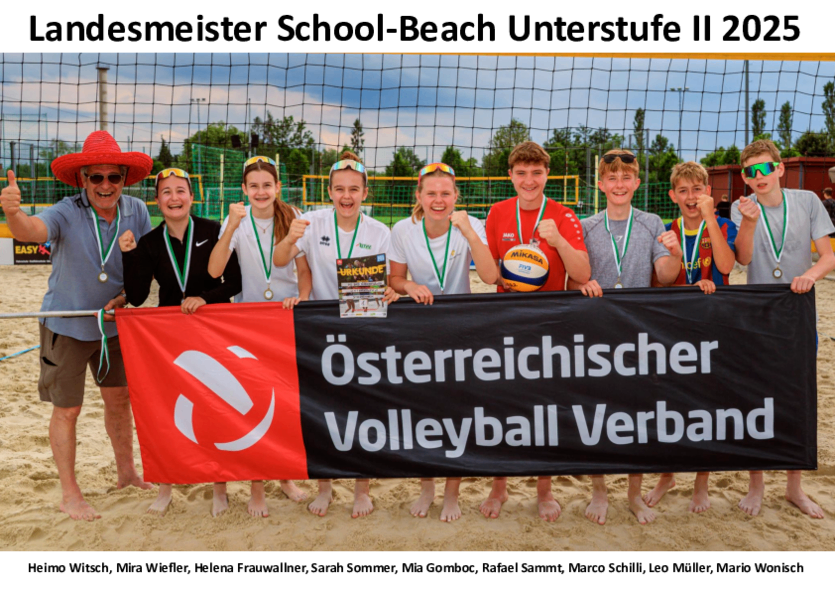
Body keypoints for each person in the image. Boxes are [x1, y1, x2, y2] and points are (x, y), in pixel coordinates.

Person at [0, 131, 154, 521]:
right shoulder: (66, 210)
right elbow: (32, 232)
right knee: (67, 410)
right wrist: (14, 214)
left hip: (116, 326)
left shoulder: (136, 210)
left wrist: (127, 299)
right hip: (66, 325)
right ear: (82, 179)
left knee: (120, 403)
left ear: (124, 178)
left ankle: (127, 473)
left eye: (113, 177)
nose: (105, 185)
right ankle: (70, 494)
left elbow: (148, 266)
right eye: (96, 177)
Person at [274, 150, 399, 518]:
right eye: (340, 189)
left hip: (363, 328)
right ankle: (325, 487)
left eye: (354, 189)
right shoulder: (311, 223)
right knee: (322, 412)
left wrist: (393, 290)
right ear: (329, 191)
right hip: (321, 332)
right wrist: (289, 238)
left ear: (365, 193)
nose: (347, 196)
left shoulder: (379, 232)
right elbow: (281, 260)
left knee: (362, 412)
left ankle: (362, 488)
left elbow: (389, 281)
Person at [120, 167, 243, 517]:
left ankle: (219, 487)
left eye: (180, 191)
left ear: (192, 197)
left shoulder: (213, 230)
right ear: (157, 200)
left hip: (214, 329)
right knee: (166, 411)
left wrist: (205, 298)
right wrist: (128, 255)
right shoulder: (149, 242)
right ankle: (165, 486)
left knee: (217, 406)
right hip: (170, 336)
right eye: (166, 192)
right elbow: (139, 296)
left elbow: (233, 282)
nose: (174, 198)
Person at [570, 149, 682, 525]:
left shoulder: (651, 222)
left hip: (638, 332)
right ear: (600, 184)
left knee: (638, 415)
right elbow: (574, 277)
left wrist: (675, 253)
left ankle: (634, 495)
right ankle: (599, 491)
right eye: (612, 178)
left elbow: (665, 277)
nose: (619, 184)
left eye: (626, 177)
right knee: (597, 414)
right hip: (597, 332)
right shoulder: (585, 226)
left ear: (636, 183)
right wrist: (583, 283)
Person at [482, 141, 591, 522]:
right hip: (506, 322)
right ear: (511, 176)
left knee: (544, 410)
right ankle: (499, 486)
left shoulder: (563, 215)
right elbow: (491, 273)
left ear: (547, 175)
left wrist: (557, 240)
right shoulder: (496, 214)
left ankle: (544, 490)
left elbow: (582, 274)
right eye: (522, 173)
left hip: (550, 324)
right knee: (502, 407)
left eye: (537, 173)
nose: (529, 180)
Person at [731, 139, 835, 520]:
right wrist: (748, 221)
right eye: (749, 171)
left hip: (797, 311)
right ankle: (755, 485)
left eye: (764, 169)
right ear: (744, 177)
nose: (758, 177)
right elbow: (741, 259)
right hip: (757, 315)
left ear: (779, 169)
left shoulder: (807, 200)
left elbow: (828, 256)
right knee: (756, 400)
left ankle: (794, 489)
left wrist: (807, 275)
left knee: (797, 402)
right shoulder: (745, 208)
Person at [389, 162, 498, 522]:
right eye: (431, 193)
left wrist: (469, 232)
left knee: (456, 413)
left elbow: (488, 275)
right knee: (423, 412)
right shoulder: (403, 229)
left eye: (446, 194)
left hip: (460, 332)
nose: (439, 200)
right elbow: (394, 279)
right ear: (419, 196)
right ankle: (427, 487)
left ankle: (452, 494)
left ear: (456, 197)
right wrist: (408, 288)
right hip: (418, 332)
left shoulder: (470, 225)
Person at [208, 155, 311, 514]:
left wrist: (305, 300)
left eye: (267, 185)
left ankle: (283, 476)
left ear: (278, 187)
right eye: (254, 186)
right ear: (244, 190)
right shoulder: (237, 219)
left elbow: (303, 269)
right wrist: (230, 227)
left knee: (284, 404)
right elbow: (214, 269)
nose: (261, 191)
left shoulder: (292, 216)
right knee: (253, 404)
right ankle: (257, 488)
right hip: (248, 321)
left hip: (283, 316)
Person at [644, 161, 737, 514]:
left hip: (715, 326)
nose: (691, 196)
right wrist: (680, 270)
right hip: (676, 330)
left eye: (697, 189)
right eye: (683, 190)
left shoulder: (724, 224)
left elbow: (726, 267)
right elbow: (658, 283)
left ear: (708, 193)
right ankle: (667, 474)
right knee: (669, 405)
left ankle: (701, 483)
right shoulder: (667, 230)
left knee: (706, 407)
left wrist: (712, 219)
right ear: (673, 196)